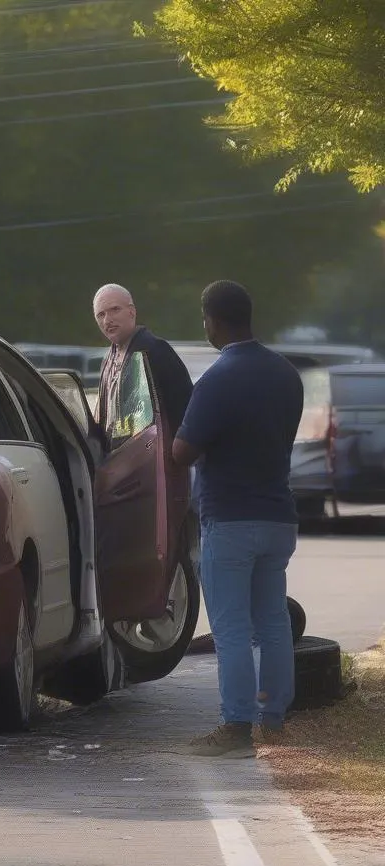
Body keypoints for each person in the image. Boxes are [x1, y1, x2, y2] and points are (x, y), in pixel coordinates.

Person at [171, 280, 304, 756]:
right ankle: (273, 719)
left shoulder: (218, 378)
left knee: (229, 628)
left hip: (230, 518)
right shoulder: (286, 373)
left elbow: (182, 452)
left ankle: (235, 726)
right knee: (272, 622)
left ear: (212, 320)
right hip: (278, 516)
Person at [92, 283, 193, 445]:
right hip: (118, 459)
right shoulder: (108, 360)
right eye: (100, 315)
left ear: (132, 311)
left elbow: (186, 411)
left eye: (115, 309)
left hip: (156, 457)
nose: (107, 320)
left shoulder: (155, 351)